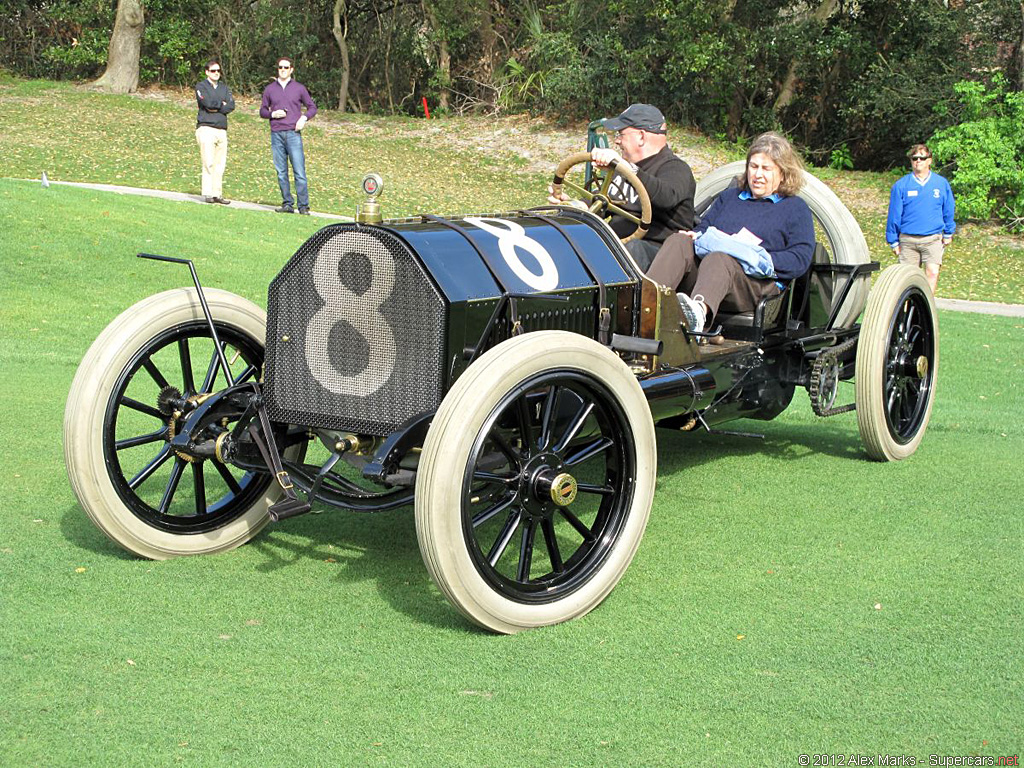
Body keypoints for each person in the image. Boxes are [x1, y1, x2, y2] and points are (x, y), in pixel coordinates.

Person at [647, 132, 814, 333]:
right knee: (679, 240)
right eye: (753, 167)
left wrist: (754, 256)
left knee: (720, 258)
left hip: (756, 285)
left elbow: (800, 259)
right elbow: (703, 228)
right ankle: (645, 304)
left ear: (782, 173)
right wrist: (694, 236)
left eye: (766, 169)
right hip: (712, 276)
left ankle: (697, 315)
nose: (758, 175)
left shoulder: (795, 208)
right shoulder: (730, 197)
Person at [548, 103, 695, 270]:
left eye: (621, 134)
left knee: (632, 249)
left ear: (641, 136)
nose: (617, 140)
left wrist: (626, 167)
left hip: (658, 256)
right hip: (618, 247)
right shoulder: (623, 171)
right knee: (567, 242)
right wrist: (571, 204)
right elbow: (603, 201)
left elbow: (666, 197)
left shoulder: (676, 168)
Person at [885, 143, 955, 293]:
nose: (918, 161)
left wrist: (949, 232)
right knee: (908, 280)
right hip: (908, 240)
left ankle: (926, 309)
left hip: (932, 238)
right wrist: (893, 241)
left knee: (932, 272)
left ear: (929, 160)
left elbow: (948, 209)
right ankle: (907, 311)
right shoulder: (901, 185)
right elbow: (894, 215)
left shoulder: (941, 184)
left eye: (922, 158)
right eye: (914, 158)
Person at [260, 57, 318, 214]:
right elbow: (262, 111)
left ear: (291, 69)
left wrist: (304, 118)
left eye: (286, 67)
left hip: (293, 134)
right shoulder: (270, 89)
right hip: (276, 134)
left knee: (299, 171)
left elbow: (312, 107)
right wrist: (273, 114)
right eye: (280, 67)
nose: (283, 70)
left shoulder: (299, 88)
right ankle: (287, 204)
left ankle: (303, 206)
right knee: (281, 171)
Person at [194, 59, 235, 205]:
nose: (216, 73)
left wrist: (218, 106)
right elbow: (206, 103)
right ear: (207, 72)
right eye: (213, 71)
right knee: (208, 162)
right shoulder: (201, 86)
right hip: (206, 128)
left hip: (221, 129)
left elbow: (231, 105)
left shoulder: (224, 88)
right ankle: (208, 193)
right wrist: (220, 104)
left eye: (218, 71)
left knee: (220, 164)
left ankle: (217, 193)